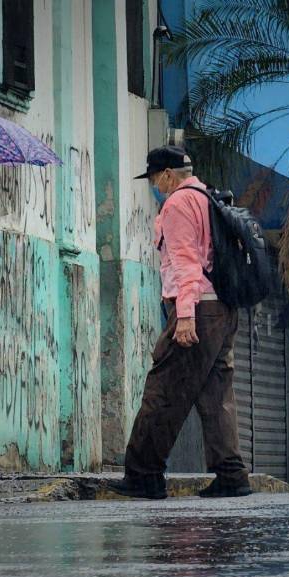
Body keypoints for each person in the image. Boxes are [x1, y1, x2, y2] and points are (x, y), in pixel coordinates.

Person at [109, 146, 251, 499]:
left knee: (163, 390)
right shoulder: (208, 197)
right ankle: (231, 475)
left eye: (154, 179)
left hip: (197, 309)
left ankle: (144, 475)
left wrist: (185, 316)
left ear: (168, 175)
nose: (154, 186)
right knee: (216, 394)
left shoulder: (177, 204)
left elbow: (187, 263)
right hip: (222, 308)